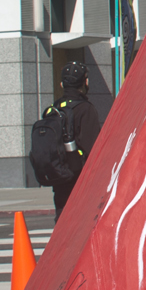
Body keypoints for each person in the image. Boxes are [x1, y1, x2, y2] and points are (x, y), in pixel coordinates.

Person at [48, 60, 100, 222]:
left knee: (62, 218)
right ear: (85, 82)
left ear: (62, 84)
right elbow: (93, 147)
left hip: (59, 173)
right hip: (79, 175)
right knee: (80, 222)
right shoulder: (85, 108)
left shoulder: (54, 108)